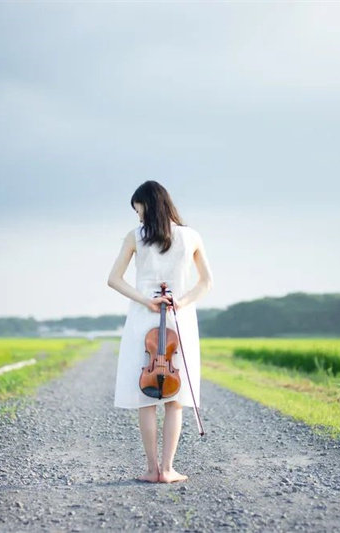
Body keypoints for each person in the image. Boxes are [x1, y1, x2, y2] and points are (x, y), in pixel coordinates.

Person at [107, 181, 214, 483]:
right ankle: (168, 470)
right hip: (180, 319)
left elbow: (114, 279)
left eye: (137, 208)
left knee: (146, 395)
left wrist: (147, 300)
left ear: (147, 205)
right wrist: (180, 302)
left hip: (144, 317)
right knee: (174, 399)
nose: (138, 215)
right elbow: (207, 283)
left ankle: (151, 469)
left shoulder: (135, 236)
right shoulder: (191, 236)